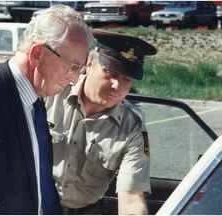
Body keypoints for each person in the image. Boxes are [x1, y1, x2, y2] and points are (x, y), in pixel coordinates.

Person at [0, 5, 92, 215]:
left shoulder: (35, 99)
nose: (74, 79)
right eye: (73, 66)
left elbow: (42, 189)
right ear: (38, 54)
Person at [45, 30, 157, 215]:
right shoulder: (51, 94)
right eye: (110, 72)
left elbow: (131, 196)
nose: (116, 85)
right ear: (89, 64)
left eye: (126, 78)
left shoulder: (133, 127)